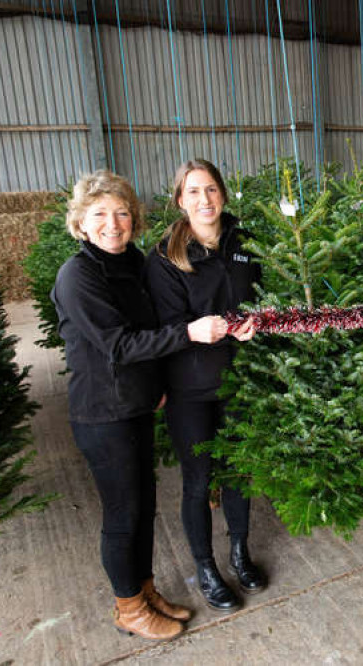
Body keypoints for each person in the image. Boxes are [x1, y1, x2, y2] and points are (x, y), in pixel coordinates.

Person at [52, 171, 232, 639]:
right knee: (122, 512)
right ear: (81, 224)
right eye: (100, 215)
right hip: (102, 411)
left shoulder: (132, 262)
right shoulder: (79, 275)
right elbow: (119, 345)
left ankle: (145, 590)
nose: (113, 224)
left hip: (137, 404)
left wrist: (161, 383)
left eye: (122, 213)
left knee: (144, 504)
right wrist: (190, 332)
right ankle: (128, 607)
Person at [144, 159, 260, 613]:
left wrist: (256, 324)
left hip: (241, 381)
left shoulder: (245, 243)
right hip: (191, 388)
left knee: (238, 473)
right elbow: (166, 326)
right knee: (198, 481)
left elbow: (265, 296)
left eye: (210, 190)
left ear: (223, 195)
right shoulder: (166, 256)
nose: (204, 200)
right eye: (193, 192)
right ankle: (206, 566)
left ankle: (240, 552)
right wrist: (199, 330)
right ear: (179, 200)